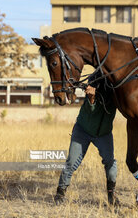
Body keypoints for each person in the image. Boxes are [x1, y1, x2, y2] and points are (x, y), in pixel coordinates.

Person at [53, 74, 118, 208]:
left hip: (104, 134)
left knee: (110, 162)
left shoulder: (117, 94)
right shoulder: (92, 92)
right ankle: (60, 192)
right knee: (71, 162)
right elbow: (91, 109)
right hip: (82, 130)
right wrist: (91, 96)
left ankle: (111, 194)